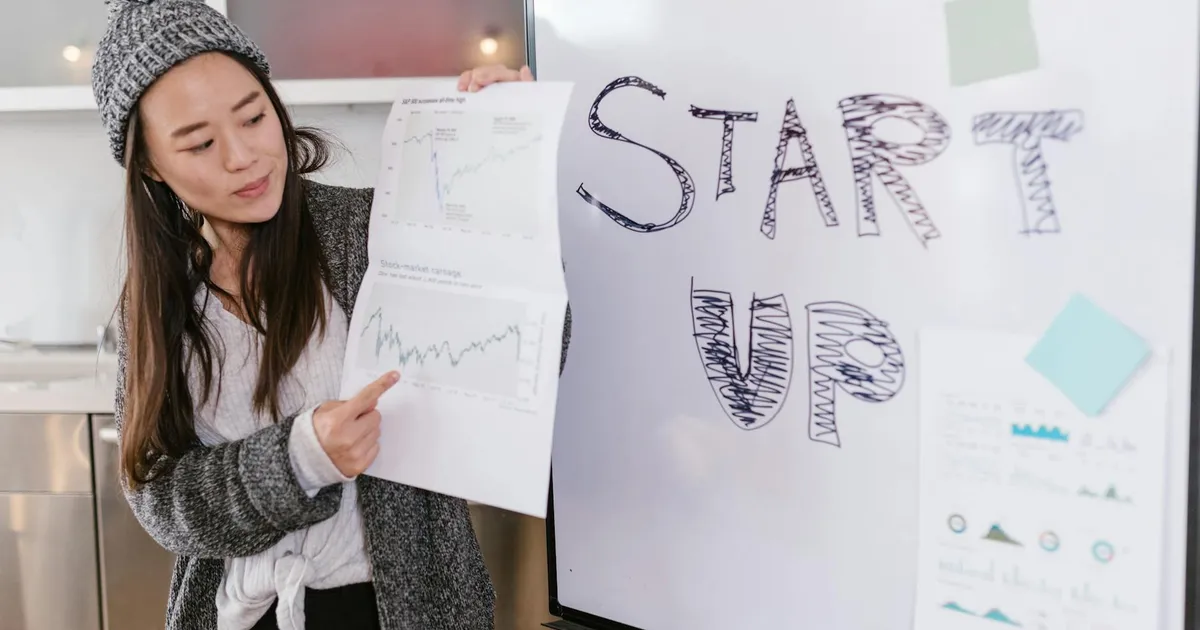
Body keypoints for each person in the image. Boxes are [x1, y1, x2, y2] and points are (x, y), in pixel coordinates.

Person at [89, 1, 570, 629]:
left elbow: (539, 353)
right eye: (201, 143)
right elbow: (159, 499)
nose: (243, 156)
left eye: (254, 116)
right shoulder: (157, 304)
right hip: (244, 613)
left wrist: (509, 174)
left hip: (400, 608)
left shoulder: (370, 231)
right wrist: (299, 458)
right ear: (150, 164)